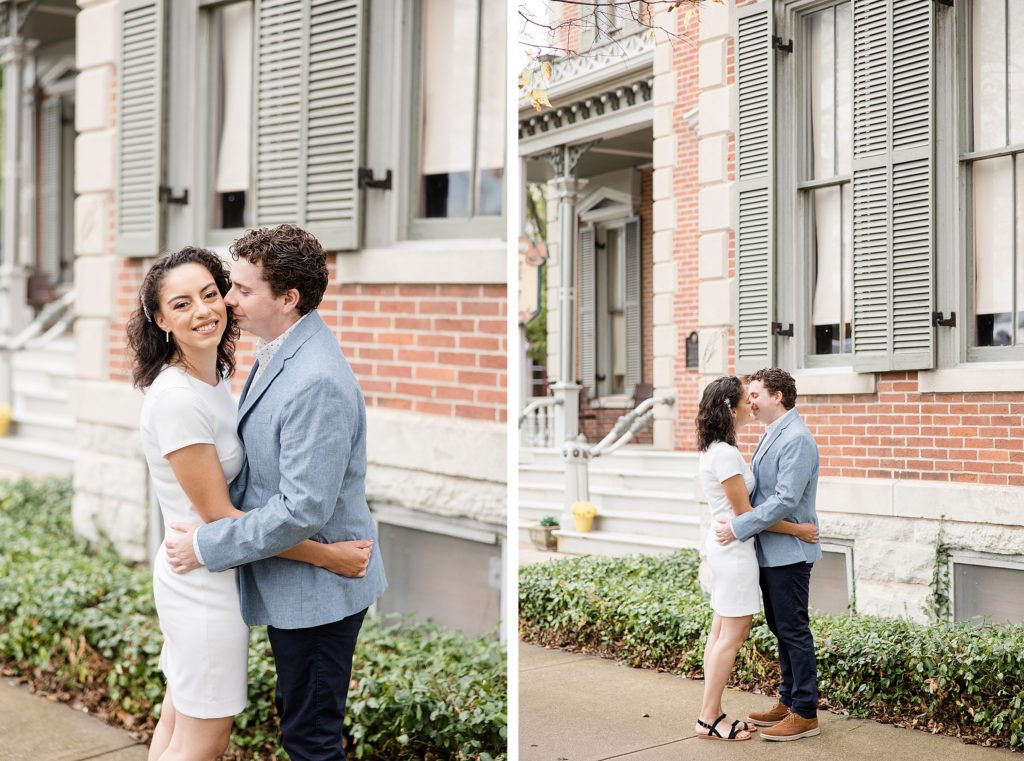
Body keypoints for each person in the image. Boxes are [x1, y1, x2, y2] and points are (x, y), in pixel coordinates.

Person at [129, 246, 376, 761]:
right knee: (204, 737)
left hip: (220, 566)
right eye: (181, 304)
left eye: (214, 293)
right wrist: (327, 555)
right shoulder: (178, 398)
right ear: (159, 320)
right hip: (201, 574)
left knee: (180, 716)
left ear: (286, 299)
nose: (212, 308)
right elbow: (219, 514)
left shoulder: (216, 376)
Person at [695, 375, 819, 742]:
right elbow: (755, 499)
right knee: (780, 629)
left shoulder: (795, 438)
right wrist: (742, 527)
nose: (751, 403)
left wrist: (740, 526)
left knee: (793, 630)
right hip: (758, 547)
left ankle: (804, 711)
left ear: (776, 397)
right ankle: (787, 699)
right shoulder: (762, 436)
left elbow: (783, 499)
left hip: (785, 553)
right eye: (746, 397)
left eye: (756, 395)